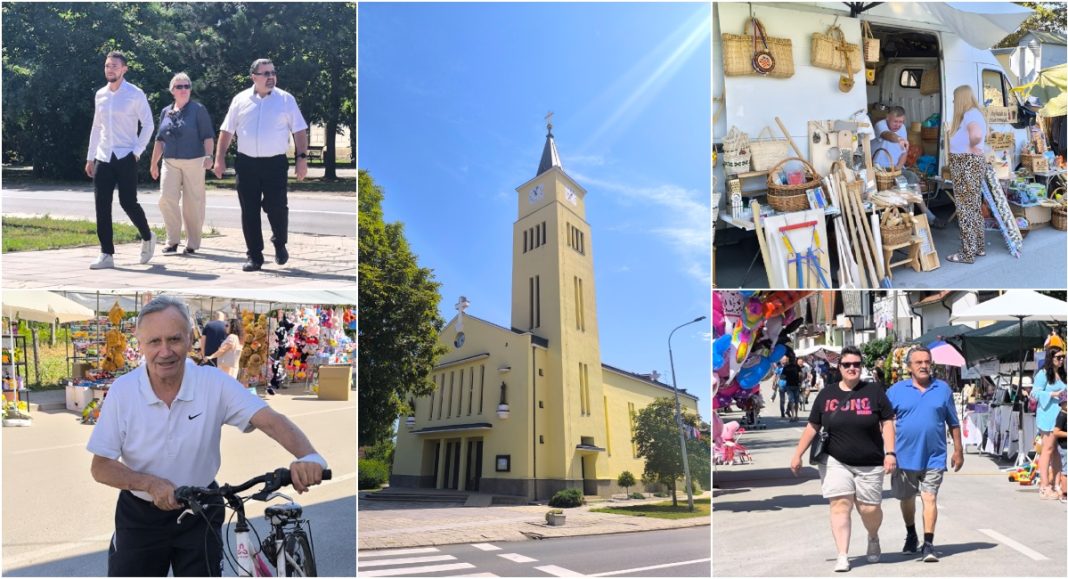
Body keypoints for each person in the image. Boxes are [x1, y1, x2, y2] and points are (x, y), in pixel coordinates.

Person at [86, 296, 328, 576]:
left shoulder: (212, 383)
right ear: (140, 344)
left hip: (201, 510)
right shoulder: (123, 391)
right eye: (154, 342)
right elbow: (100, 466)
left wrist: (309, 456)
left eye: (174, 339)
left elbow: (271, 421)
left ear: (191, 339)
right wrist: (150, 484)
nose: (165, 351)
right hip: (141, 515)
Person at [791, 346, 896, 573]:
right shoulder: (826, 394)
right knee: (840, 505)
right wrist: (797, 454)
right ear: (839, 368)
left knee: (869, 509)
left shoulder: (875, 391)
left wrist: (890, 453)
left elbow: (888, 422)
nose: (852, 368)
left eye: (856, 364)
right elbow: (813, 426)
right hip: (834, 459)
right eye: (847, 364)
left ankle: (873, 535)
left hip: (870, 460)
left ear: (861, 367)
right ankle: (843, 555)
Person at [214, 58, 309, 272]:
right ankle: (254, 256)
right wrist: (219, 158)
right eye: (265, 73)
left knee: (276, 207)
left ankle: (280, 242)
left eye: (273, 72)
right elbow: (227, 130)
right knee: (249, 210)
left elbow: (299, 130)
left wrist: (301, 158)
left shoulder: (285, 100)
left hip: (275, 163)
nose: (271, 77)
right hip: (246, 163)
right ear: (254, 77)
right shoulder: (240, 100)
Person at [887, 346, 962, 563]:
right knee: (907, 499)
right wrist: (887, 452)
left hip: (934, 456)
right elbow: (885, 423)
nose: (923, 366)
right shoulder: (895, 391)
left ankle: (928, 544)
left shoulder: (943, 389)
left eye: (927, 362)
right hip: (904, 456)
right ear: (909, 366)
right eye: (918, 362)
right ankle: (911, 534)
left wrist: (958, 450)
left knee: (930, 497)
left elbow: (953, 422)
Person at [85, 51, 156, 270]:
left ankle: (147, 236)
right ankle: (106, 253)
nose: (110, 69)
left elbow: (149, 124)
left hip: (126, 156)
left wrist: (137, 150)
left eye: (115, 66)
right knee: (101, 205)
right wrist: (90, 158)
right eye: (107, 66)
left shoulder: (135, 94)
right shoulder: (100, 95)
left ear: (124, 69)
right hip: (103, 156)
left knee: (128, 202)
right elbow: (97, 127)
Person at [945, 84, 1022, 264]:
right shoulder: (974, 113)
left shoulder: (970, 114)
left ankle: (967, 253)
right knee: (972, 208)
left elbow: (977, 135)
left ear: (961, 98)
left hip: (966, 165)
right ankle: (978, 247)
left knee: (966, 210)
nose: (954, 101)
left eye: (955, 98)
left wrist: (973, 144)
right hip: (968, 164)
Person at [149, 73, 215, 255]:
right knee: (166, 199)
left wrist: (209, 156)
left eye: (187, 86)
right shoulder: (165, 111)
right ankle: (172, 241)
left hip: (194, 161)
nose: (184, 89)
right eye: (180, 87)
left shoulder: (198, 109)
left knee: (192, 203)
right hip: (169, 161)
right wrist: (153, 164)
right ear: (172, 91)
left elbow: (208, 136)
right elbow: (160, 139)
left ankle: (192, 243)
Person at [1031, 347, 1066, 500]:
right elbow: (1034, 393)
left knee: (1056, 451)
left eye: (1063, 357)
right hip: (1047, 415)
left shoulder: (1062, 374)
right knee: (1048, 449)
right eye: (1058, 357)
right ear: (1050, 358)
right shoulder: (1043, 374)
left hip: (1060, 416)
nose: (1061, 360)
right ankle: (1045, 486)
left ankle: (1056, 483)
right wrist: (1052, 394)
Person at [782, 351, 803, 422]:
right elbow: (800, 375)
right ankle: (796, 416)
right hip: (796, 385)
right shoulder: (797, 367)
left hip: (789, 385)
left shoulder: (786, 367)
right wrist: (800, 381)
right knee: (796, 402)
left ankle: (793, 416)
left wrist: (786, 377)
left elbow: (782, 377)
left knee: (792, 401)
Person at [1053, 396, 1067, 502]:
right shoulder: (1062, 416)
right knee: (1066, 471)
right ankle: (1064, 494)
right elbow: (1056, 432)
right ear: (1062, 404)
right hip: (1064, 447)